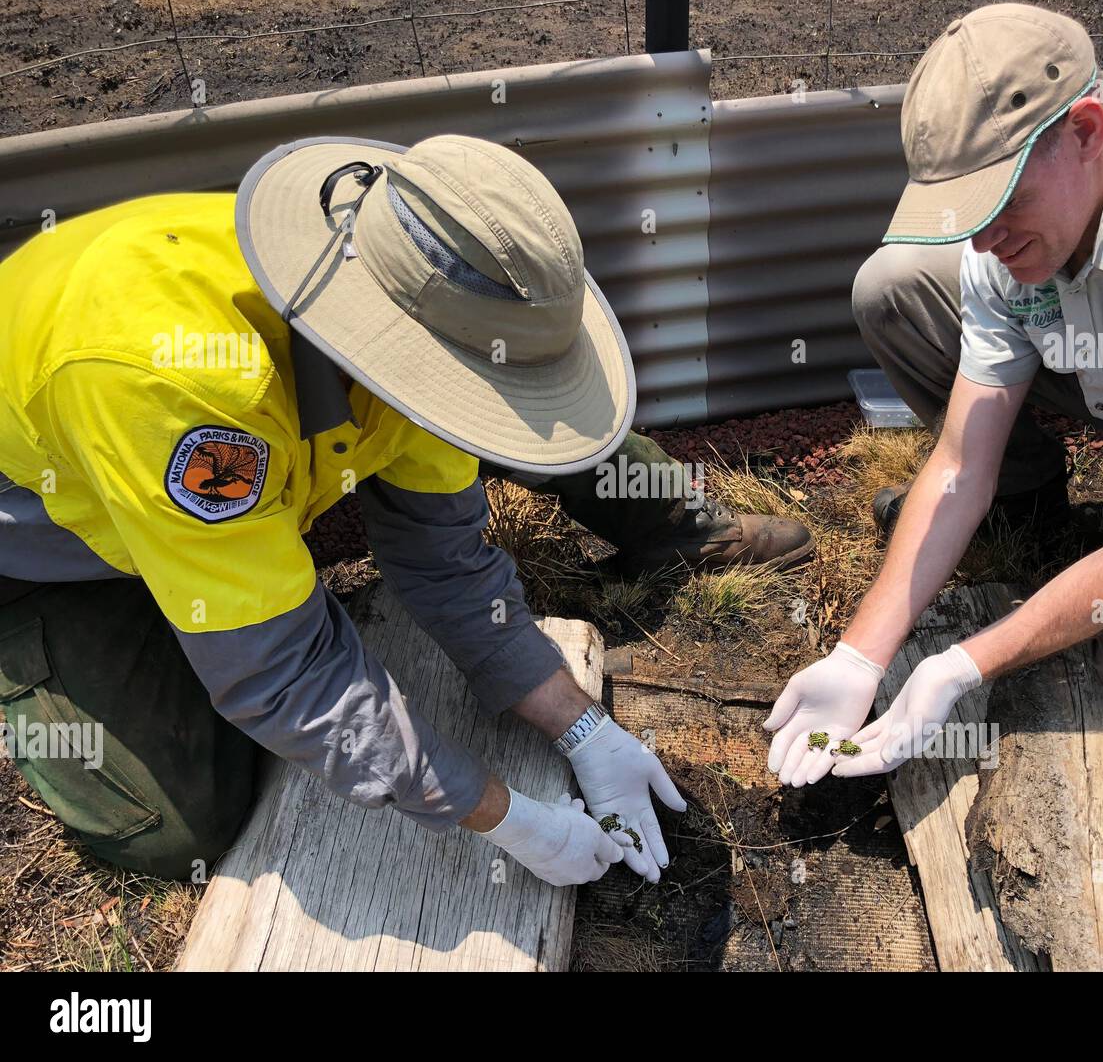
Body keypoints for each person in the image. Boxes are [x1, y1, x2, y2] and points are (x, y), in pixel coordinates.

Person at [0, 132, 746, 885]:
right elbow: (282, 672)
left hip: (164, 477)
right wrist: (510, 819)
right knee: (173, 828)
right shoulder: (189, 396)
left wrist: (581, 726)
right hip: (50, 544)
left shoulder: (416, 321)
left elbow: (445, 558)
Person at [766, 3, 1103, 785]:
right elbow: (958, 463)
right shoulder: (1012, 234)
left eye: (999, 202)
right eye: (964, 210)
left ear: (1086, 131)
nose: (981, 240)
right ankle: (1041, 506)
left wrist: (962, 665)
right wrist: (860, 654)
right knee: (898, 284)